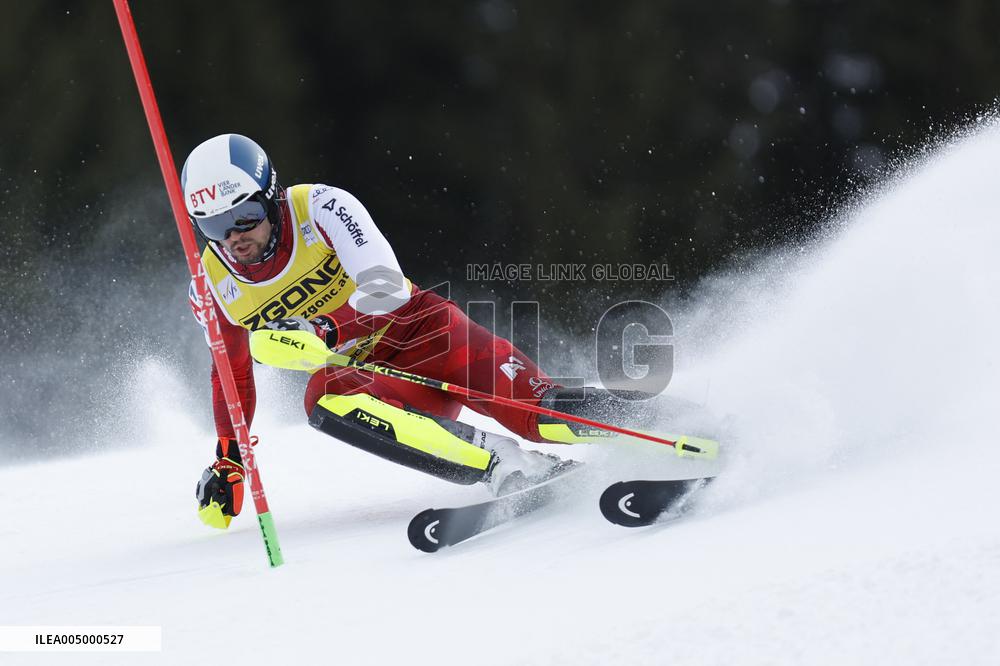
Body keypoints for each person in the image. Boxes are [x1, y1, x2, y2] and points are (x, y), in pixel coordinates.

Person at [184, 134, 651, 529]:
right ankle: (504, 464)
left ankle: (663, 425)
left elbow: (388, 287)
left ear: (271, 198)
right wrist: (230, 458)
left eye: (243, 217)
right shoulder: (212, 284)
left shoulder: (321, 207)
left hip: (427, 334)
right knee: (322, 395)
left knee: (539, 413)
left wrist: (325, 328)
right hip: (376, 380)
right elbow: (232, 373)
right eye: (214, 226)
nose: (233, 238)